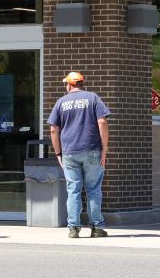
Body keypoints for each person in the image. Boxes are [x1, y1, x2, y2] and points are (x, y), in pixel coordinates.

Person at [48, 71, 111, 238]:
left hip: (69, 151)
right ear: (81, 84)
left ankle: (73, 228)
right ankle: (97, 228)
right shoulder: (93, 98)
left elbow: (53, 129)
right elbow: (102, 121)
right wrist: (104, 149)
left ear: (69, 85)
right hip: (92, 150)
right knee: (93, 190)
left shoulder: (61, 102)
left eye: (65, 84)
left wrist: (58, 153)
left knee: (73, 190)